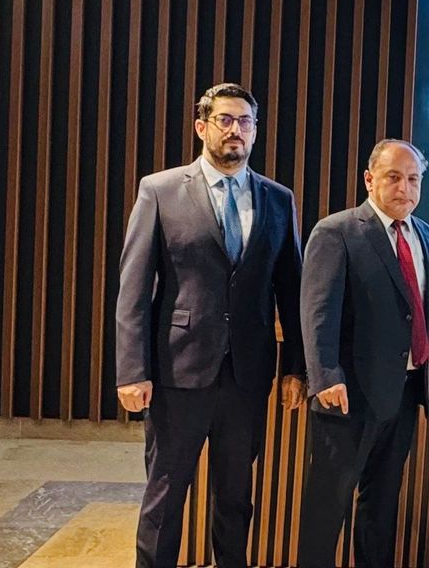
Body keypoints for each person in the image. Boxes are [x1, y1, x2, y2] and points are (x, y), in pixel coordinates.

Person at [115, 82, 305, 568]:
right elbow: (134, 286)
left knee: (236, 497)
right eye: (225, 119)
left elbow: (292, 291)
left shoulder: (278, 199)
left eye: (245, 121)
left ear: (255, 131)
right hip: (177, 373)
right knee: (165, 495)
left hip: (247, 375)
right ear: (202, 127)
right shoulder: (160, 190)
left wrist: (296, 367)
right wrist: (132, 370)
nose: (235, 130)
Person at [295, 139, 429, 567]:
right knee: (328, 503)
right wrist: (325, 376)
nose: (404, 188)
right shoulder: (336, 231)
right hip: (347, 394)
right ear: (370, 180)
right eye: (393, 177)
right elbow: (317, 311)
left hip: (405, 392)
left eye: (413, 179)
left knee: (382, 503)